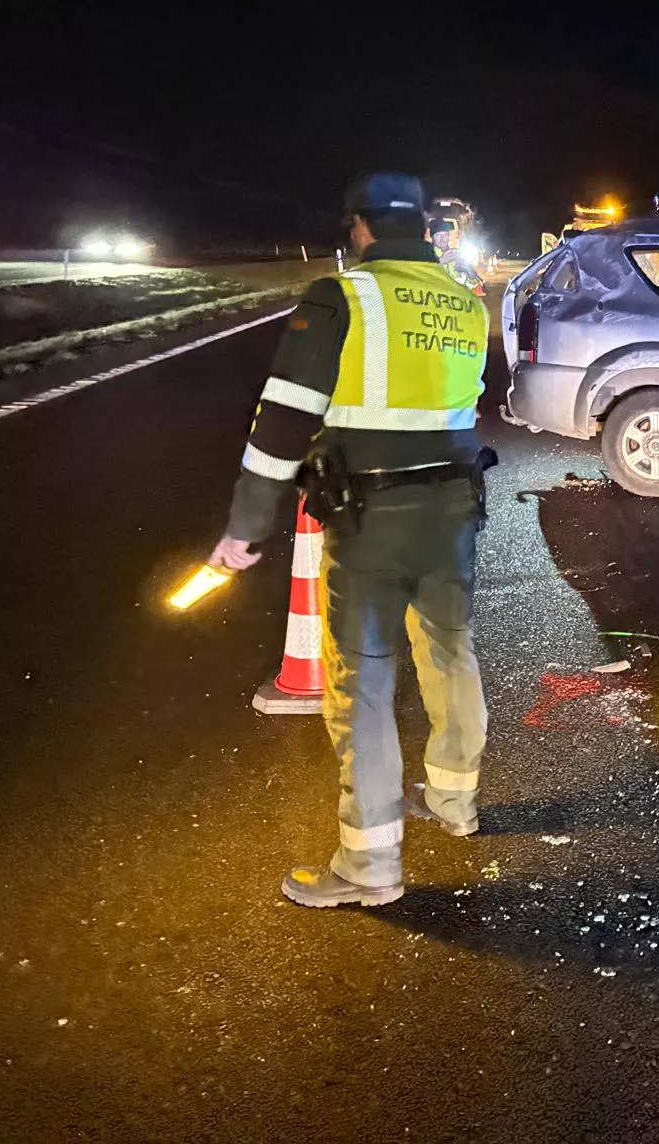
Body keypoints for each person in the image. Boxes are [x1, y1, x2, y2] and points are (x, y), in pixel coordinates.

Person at [208, 173, 492, 909]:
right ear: (423, 228)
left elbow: (283, 421)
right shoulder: (465, 300)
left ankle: (370, 865)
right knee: (449, 650)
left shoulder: (344, 295)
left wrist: (246, 526)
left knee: (362, 683)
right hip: (455, 510)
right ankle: (455, 803)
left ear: (360, 228)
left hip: (370, 519)